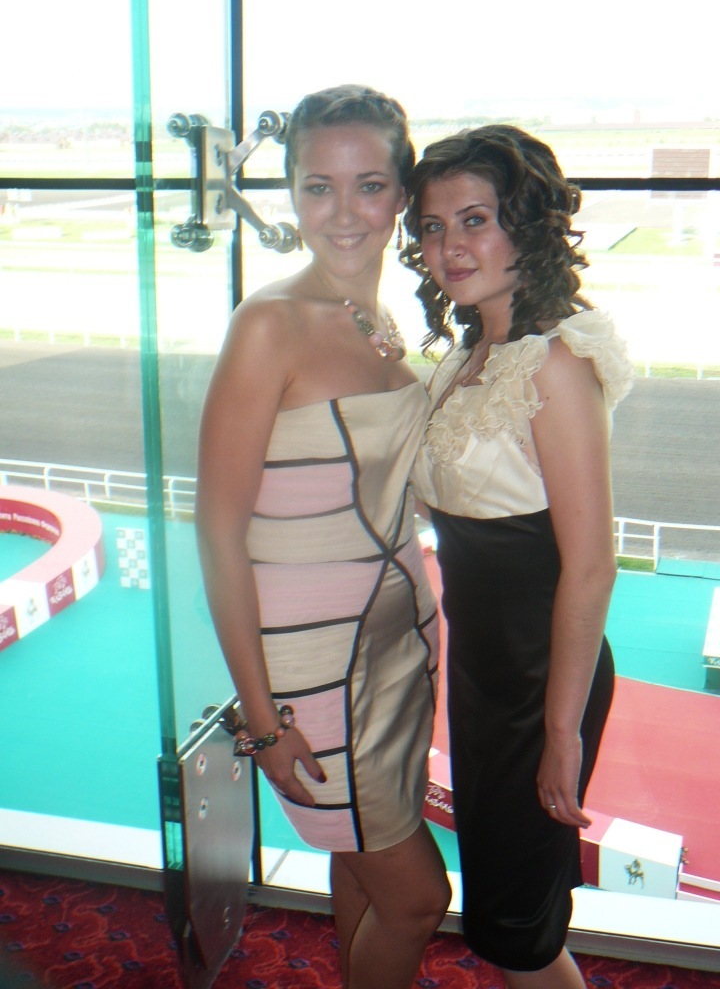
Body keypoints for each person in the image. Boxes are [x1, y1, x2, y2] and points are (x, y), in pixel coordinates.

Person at [195, 85, 451, 989]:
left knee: (360, 860)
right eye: (317, 187)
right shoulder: (269, 326)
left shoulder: (383, 323)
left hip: (398, 642)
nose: (343, 214)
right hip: (315, 668)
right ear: (293, 194)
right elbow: (218, 533)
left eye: (369, 186)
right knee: (418, 900)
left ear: (402, 194)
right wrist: (263, 722)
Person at [401, 125, 634, 989]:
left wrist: (560, 734)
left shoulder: (554, 364)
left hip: (542, 683)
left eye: (475, 220)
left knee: (515, 929)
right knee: (508, 913)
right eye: (432, 227)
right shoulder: (469, 359)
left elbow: (592, 564)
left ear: (526, 225)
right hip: (487, 676)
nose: (450, 248)